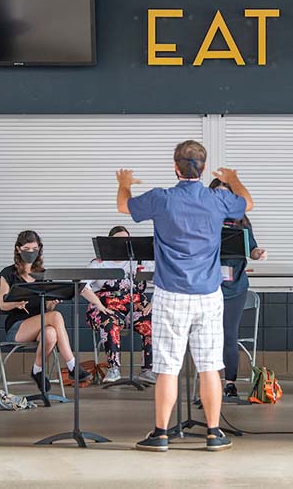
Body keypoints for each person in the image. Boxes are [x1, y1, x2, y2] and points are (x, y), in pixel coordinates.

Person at [117, 139, 253, 452]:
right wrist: (233, 179)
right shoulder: (218, 199)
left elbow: (124, 206)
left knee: (167, 366)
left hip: (171, 294)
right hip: (208, 294)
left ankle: (161, 434)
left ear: (175, 167)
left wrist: (124, 183)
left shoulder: (161, 199)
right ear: (203, 169)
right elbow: (248, 203)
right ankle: (214, 433)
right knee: (209, 365)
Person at [0, 230, 99, 392]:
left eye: (34, 249)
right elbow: (2, 305)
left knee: (50, 333)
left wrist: (52, 304)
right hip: (18, 327)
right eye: (26, 249)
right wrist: (16, 304)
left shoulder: (43, 274)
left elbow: (47, 309)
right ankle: (72, 365)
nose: (31, 252)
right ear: (18, 249)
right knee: (55, 316)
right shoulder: (8, 273)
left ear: (39, 249)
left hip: (40, 324)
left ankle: (37, 370)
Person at [209, 178, 267, 399]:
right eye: (217, 193)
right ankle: (209, 382)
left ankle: (230, 383)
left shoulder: (241, 220)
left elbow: (252, 249)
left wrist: (259, 254)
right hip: (208, 286)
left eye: (226, 194)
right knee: (208, 336)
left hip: (235, 287)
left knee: (229, 334)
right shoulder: (203, 218)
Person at [86, 225, 156, 385]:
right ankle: (113, 368)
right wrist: (99, 305)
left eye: (126, 240)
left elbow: (162, 279)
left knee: (152, 322)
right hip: (106, 306)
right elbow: (83, 286)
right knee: (109, 323)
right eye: (117, 240)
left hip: (136, 306)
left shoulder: (140, 262)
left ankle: (148, 370)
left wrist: (153, 303)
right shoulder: (99, 263)